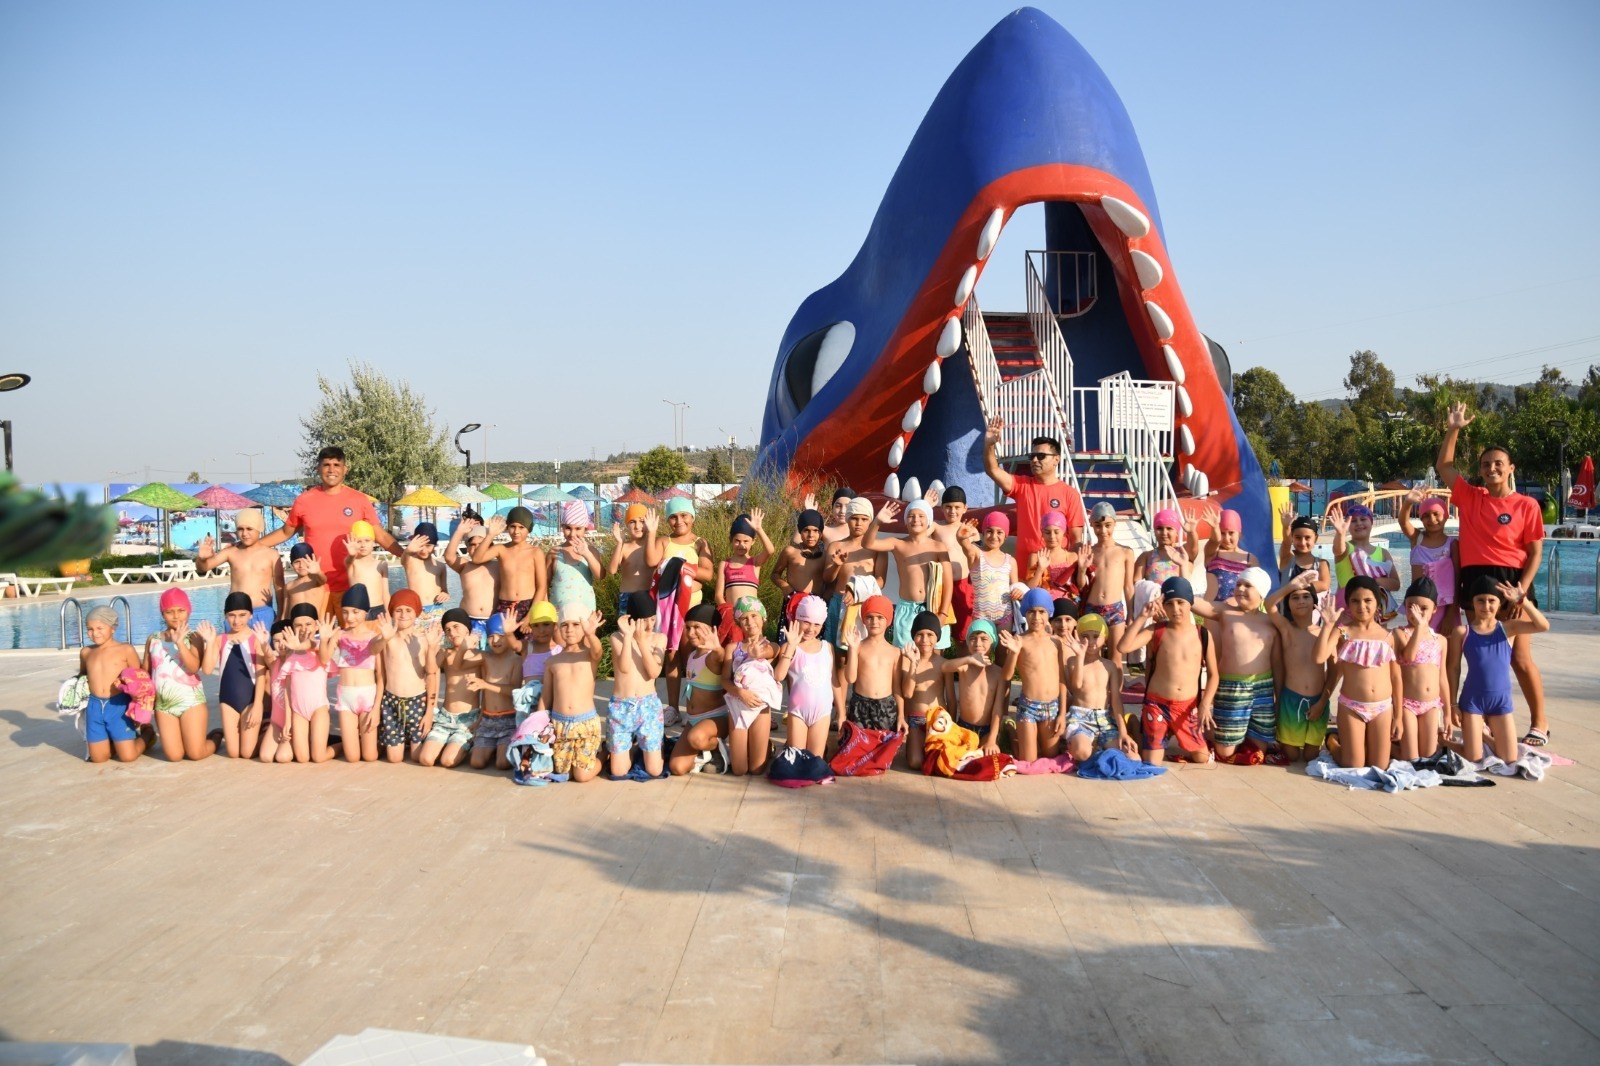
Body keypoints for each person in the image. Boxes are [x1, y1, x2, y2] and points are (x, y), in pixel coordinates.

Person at [1438, 402, 1549, 746]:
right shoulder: (1470, 497)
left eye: (1498, 464)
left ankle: (1540, 724)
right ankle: (1483, 720)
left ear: (1510, 468)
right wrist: (1453, 428)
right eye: (1486, 465)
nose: (1491, 469)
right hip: (1475, 581)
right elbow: (1444, 465)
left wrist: (1522, 591)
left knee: (1518, 656)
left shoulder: (1526, 505)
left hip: (1512, 581)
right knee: (1478, 654)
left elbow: (1534, 552)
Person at [258, 446, 399, 599]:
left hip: (351, 587)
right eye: (326, 465)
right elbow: (286, 532)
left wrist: (407, 556)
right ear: (318, 468)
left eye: (336, 465)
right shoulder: (304, 500)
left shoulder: (359, 500)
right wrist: (252, 545)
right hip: (315, 586)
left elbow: (381, 536)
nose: (331, 470)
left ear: (345, 469)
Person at [1448, 577, 1549, 764]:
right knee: (1474, 758)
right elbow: (1453, 668)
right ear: (1472, 602)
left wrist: (1522, 600)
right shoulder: (1462, 632)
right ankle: (1444, 742)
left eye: (1491, 600)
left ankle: (1481, 734)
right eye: (1480, 600)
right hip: (1472, 702)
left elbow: (1543, 626)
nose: (1486, 606)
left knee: (1510, 758)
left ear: (1500, 603)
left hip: (1500, 702)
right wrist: (1453, 705)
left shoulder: (1508, 629)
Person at [1118, 577, 1217, 766]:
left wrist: (1205, 704)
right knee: (1153, 762)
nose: (1175, 609)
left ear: (1191, 603)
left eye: (1181, 602)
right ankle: (1134, 724)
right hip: (1158, 704)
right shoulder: (1157, 630)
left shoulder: (1202, 634)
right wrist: (1142, 616)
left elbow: (1214, 674)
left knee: (1202, 758)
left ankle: (1168, 734)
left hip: (1187, 707)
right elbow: (1123, 647)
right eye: (1169, 604)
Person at [1188, 567, 1280, 762]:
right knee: (1225, 752)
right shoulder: (1225, 611)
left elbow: (1278, 664)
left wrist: (1278, 698)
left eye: (1248, 585)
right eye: (1238, 584)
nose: (1241, 588)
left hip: (1263, 687)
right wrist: (1183, 570)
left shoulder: (1271, 622)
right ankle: (1208, 730)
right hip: (1232, 687)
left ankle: (1240, 728)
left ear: (1262, 592)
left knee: (1258, 748)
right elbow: (1193, 602)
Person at [1315, 576, 1401, 770]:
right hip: (1352, 707)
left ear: (1377, 602)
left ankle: (1359, 743)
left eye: (1367, 600)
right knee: (1353, 765)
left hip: (1382, 708)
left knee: (1379, 766)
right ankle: (1332, 741)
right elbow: (1320, 658)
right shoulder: (1343, 632)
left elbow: (1396, 678)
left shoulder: (1388, 636)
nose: (1362, 606)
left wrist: (1399, 718)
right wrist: (1328, 625)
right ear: (1348, 604)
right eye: (1355, 601)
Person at [981, 417, 1084, 565]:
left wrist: (1073, 572)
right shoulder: (1022, 485)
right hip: (1025, 574)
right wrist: (989, 445)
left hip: (1056, 573)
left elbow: (1076, 540)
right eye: (1032, 456)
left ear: (1056, 459)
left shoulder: (1070, 494)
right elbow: (993, 470)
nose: (1035, 460)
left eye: (1041, 456)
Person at [821, 497, 886, 722]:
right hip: (838, 606)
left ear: (869, 521)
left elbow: (880, 580)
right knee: (839, 660)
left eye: (863, 519)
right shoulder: (835, 546)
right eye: (854, 518)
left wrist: (857, 589)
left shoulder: (876, 547)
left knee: (862, 657)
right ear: (847, 520)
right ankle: (840, 713)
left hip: (866, 608)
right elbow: (827, 578)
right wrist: (837, 564)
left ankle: (860, 709)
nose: (858, 523)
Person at [647, 496, 715, 710]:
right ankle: (673, 708)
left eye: (684, 515)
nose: (679, 521)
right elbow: (651, 561)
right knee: (672, 657)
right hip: (668, 612)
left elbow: (708, 573)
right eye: (673, 517)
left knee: (694, 657)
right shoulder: (663, 542)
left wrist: (681, 568)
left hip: (693, 611)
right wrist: (651, 533)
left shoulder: (700, 543)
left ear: (692, 517)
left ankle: (696, 707)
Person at [863, 500, 953, 649]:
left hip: (934, 607)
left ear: (929, 520)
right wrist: (878, 521)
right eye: (911, 516)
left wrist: (943, 613)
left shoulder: (938, 547)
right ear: (906, 520)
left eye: (920, 515)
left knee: (934, 658)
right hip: (907, 608)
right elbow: (868, 543)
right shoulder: (897, 543)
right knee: (904, 655)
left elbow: (948, 583)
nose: (916, 519)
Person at [1263, 571, 1333, 763]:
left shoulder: (1324, 632)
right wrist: (1289, 587)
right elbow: (1269, 605)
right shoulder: (1287, 630)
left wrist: (1321, 703)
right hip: (1291, 700)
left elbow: (1334, 672)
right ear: (1288, 605)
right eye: (1295, 598)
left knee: (1311, 756)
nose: (1301, 601)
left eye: (1306, 596)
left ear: (1314, 603)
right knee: (1292, 756)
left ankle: (1332, 738)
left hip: (1318, 701)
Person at [145, 587, 219, 762]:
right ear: (163, 614)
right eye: (169, 612)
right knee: (174, 756)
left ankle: (215, 737)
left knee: (195, 754)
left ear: (188, 611)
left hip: (191, 703)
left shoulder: (194, 637)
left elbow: (193, 667)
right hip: (164, 706)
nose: (176, 616)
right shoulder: (153, 639)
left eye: (181, 611)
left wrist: (180, 643)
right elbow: (146, 671)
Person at [373, 589, 440, 763]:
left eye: (408, 610)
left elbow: (432, 675)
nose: (403, 615)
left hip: (417, 702)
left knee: (418, 757)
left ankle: (425, 740)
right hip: (391, 702)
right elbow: (373, 652)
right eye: (398, 610)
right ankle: (401, 740)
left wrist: (429, 712)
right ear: (392, 612)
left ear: (417, 613)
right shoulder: (387, 638)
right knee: (394, 758)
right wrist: (383, 639)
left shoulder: (424, 640)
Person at [79, 604, 150, 763]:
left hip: (118, 706)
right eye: (90, 629)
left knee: (128, 757)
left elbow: (139, 681)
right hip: (95, 706)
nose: (94, 633)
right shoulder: (86, 652)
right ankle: (114, 740)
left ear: (113, 627)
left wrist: (138, 708)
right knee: (98, 758)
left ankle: (147, 735)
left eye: (99, 628)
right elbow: (83, 675)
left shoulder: (125, 650)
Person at [543, 607, 606, 783]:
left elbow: (598, 650)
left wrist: (591, 634)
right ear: (558, 628)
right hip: (559, 725)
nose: (570, 629)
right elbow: (546, 696)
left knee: (581, 776)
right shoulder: (552, 661)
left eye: (576, 624)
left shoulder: (589, 655)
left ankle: (605, 753)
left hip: (585, 724)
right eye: (564, 624)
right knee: (563, 773)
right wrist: (539, 723)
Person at [607, 596, 668, 778]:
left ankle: (654, 747)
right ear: (632, 620)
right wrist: (628, 637)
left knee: (654, 770)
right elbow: (624, 668)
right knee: (618, 771)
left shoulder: (659, 639)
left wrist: (642, 642)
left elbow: (654, 672)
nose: (649, 625)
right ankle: (632, 749)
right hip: (621, 705)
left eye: (652, 619)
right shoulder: (617, 637)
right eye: (644, 621)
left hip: (647, 705)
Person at [1061, 614, 1136, 761]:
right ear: (1078, 637)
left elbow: (1115, 700)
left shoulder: (1110, 666)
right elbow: (1076, 687)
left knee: (1132, 757)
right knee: (1082, 753)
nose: (1090, 641)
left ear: (1105, 639)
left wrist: (1123, 732)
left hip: (1104, 719)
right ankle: (1082, 745)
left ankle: (1097, 746)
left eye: (1096, 636)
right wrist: (1080, 656)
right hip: (1080, 718)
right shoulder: (1073, 661)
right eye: (1085, 636)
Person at [321, 585, 382, 763]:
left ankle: (381, 742)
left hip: (368, 697)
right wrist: (325, 639)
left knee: (370, 757)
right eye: (345, 612)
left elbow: (381, 677)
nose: (350, 617)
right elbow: (324, 660)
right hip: (345, 697)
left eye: (355, 612)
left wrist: (376, 708)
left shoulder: (374, 637)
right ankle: (346, 743)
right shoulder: (339, 635)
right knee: (352, 757)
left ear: (366, 612)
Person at [668, 604, 732, 775]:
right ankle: (705, 753)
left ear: (712, 629)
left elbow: (719, 657)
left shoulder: (712, 656)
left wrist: (717, 648)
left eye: (697, 627)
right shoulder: (691, 655)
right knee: (677, 768)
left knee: (696, 738)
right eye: (688, 628)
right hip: (694, 720)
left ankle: (717, 747)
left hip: (716, 719)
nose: (691, 633)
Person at [720, 596, 779, 776]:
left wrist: (757, 652)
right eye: (744, 618)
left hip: (760, 708)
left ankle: (767, 746)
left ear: (763, 618)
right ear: (738, 622)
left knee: (756, 769)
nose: (750, 621)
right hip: (738, 705)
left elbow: (769, 652)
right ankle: (749, 746)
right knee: (739, 770)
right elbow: (724, 680)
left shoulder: (772, 645)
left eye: (754, 616)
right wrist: (740, 692)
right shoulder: (732, 648)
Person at [417, 609, 483, 769]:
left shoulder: (480, 656)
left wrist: (481, 718)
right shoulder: (445, 653)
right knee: (425, 759)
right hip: (445, 718)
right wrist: (432, 647)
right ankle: (447, 744)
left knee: (447, 761)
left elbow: (485, 692)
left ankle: (463, 745)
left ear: (467, 628)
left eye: (456, 626)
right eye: (447, 630)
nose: (452, 632)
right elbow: (430, 669)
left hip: (467, 720)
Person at [1393, 577, 1449, 763]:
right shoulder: (1400, 634)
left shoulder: (1440, 640)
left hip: (1431, 705)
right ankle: (1384, 744)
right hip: (1407, 704)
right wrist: (1419, 628)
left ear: (1435, 609)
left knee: (1428, 756)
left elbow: (1443, 677)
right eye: (1411, 607)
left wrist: (1447, 713)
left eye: (1423, 608)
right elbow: (1409, 656)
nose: (1416, 612)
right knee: (1411, 759)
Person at [196, 508, 284, 626]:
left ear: (259, 529)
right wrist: (201, 559)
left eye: (249, 529)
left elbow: (280, 588)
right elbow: (203, 568)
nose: (244, 533)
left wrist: (281, 614)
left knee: (265, 645)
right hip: (235, 614)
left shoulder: (272, 555)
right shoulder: (231, 552)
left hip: (263, 613)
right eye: (240, 529)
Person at [938, 619, 1013, 754]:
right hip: (963, 727)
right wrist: (968, 659)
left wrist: (992, 738)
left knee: (987, 756)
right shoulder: (965, 667)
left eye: (984, 639)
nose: (978, 643)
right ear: (967, 643)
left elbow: (998, 709)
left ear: (993, 642)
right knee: (955, 756)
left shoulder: (998, 673)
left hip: (987, 730)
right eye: (972, 639)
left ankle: (1003, 733)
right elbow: (944, 667)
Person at [773, 595, 835, 757]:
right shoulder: (789, 647)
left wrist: (841, 713)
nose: (810, 629)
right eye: (806, 622)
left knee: (815, 763)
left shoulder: (827, 648)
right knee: (797, 761)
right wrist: (791, 646)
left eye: (816, 624)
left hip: (822, 713)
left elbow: (833, 681)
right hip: (798, 712)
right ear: (796, 620)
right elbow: (779, 676)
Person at [1010, 587, 1066, 761]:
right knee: (1028, 760)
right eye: (1031, 612)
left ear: (1049, 613)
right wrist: (1013, 653)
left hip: (1052, 708)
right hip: (1028, 707)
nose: (1036, 617)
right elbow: (1007, 675)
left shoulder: (1056, 642)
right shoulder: (1019, 640)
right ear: (1024, 613)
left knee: (1051, 756)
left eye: (1042, 612)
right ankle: (1010, 731)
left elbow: (1062, 680)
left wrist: (1062, 714)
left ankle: (1036, 739)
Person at [472, 506, 548, 627]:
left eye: (521, 527)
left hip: (528, 606)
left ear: (529, 529)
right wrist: (490, 535)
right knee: (501, 644)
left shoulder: (535, 552)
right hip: (505, 606)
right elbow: (477, 558)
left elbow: (542, 587)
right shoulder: (501, 549)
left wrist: (529, 617)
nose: (516, 531)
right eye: (512, 526)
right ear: (507, 527)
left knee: (525, 645)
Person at [213, 591, 267, 759]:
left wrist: (258, 705)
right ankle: (217, 734)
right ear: (225, 616)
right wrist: (209, 642)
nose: (237, 621)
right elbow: (207, 669)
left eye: (242, 615)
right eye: (231, 615)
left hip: (250, 701)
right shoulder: (219, 640)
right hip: (227, 700)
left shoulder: (256, 638)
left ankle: (266, 729)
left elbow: (261, 674)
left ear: (251, 615)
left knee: (247, 753)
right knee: (233, 753)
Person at [1080, 502, 1136, 665]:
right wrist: (1082, 569)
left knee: (1115, 656)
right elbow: (1082, 586)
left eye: (1107, 525)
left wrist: (1131, 615)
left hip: (1115, 609)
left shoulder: (1125, 552)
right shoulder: (1088, 551)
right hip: (1092, 607)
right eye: (1098, 526)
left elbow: (1128, 586)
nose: (1103, 530)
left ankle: (1116, 690)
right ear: (1091, 525)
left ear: (1115, 524)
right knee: (1090, 656)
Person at [1397, 489, 1458, 634]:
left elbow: (1458, 578)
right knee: (1420, 646)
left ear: (1446, 516)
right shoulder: (1417, 539)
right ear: (1420, 519)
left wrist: (1451, 613)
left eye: (1436, 514)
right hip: (1419, 606)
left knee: (1445, 646)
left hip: (1445, 607)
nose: (1431, 519)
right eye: (1425, 516)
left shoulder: (1452, 544)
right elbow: (1403, 522)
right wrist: (1408, 502)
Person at [281, 603, 335, 763]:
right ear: (292, 626)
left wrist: (321, 640)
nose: (304, 628)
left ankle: (340, 745)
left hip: (318, 708)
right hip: (298, 711)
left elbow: (317, 651)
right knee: (302, 758)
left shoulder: (320, 644)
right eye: (298, 625)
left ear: (316, 625)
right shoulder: (290, 651)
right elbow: (287, 688)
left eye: (308, 624)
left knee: (318, 757)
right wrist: (288, 720)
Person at [467, 613, 522, 770]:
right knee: (476, 763)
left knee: (502, 764)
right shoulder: (486, 658)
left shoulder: (516, 660)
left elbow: (514, 690)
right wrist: (466, 644)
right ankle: (493, 748)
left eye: (501, 636)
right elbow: (460, 661)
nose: (495, 641)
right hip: (488, 720)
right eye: (491, 637)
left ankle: (501, 748)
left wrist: (486, 684)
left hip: (509, 720)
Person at [843, 594, 902, 733]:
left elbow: (897, 688)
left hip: (886, 707)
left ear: (888, 620)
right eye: (869, 617)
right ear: (863, 620)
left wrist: (901, 716)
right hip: (859, 706)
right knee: (859, 750)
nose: (874, 621)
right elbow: (850, 678)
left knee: (883, 750)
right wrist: (852, 648)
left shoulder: (895, 652)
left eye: (880, 617)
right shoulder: (857, 647)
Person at [1329, 503, 1399, 620]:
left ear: (1371, 522)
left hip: (1374, 606)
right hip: (1347, 607)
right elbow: (1337, 549)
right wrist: (1340, 533)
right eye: (1353, 521)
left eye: (1363, 519)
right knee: (1345, 637)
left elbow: (1396, 584)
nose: (1359, 523)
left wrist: (1374, 581)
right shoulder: (1345, 548)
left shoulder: (1383, 553)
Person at [714, 509, 774, 639]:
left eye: (746, 541)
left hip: (753, 617)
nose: (741, 545)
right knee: (734, 649)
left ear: (753, 541)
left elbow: (770, 550)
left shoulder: (755, 562)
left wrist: (759, 529)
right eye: (737, 540)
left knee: (755, 648)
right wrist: (729, 612)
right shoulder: (724, 564)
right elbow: (718, 595)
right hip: (733, 616)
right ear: (731, 539)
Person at [898, 610, 946, 770]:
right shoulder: (905, 661)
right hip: (915, 719)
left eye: (930, 634)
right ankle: (914, 745)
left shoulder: (942, 663)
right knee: (915, 762)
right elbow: (907, 693)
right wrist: (913, 663)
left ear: (937, 637)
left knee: (941, 762)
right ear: (913, 636)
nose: (925, 640)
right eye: (920, 634)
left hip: (937, 719)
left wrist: (951, 725)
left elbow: (951, 699)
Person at [960, 510, 1021, 635]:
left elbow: (1015, 587)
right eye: (989, 531)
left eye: (999, 532)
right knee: (981, 652)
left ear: (1006, 536)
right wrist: (962, 538)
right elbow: (966, 546)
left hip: (1005, 616)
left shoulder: (1010, 561)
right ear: (983, 533)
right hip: (981, 615)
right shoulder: (977, 554)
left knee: (1003, 653)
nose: (994, 536)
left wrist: (1018, 592)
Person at [773, 507, 830, 624]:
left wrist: (824, 597)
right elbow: (774, 574)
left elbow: (829, 579)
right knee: (790, 639)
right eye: (806, 530)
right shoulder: (790, 551)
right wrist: (785, 588)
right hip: (794, 603)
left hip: (816, 606)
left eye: (815, 530)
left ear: (821, 533)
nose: (811, 535)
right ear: (799, 531)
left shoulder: (825, 555)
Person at [548, 500, 603, 620]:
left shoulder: (591, 551)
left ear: (586, 529)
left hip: (585, 612)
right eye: (568, 528)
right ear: (562, 527)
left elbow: (600, 575)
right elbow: (545, 583)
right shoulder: (555, 552)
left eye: (578, 529)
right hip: (558, 613)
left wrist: (586, 554)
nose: (572, 533)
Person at [930, 485, 972, 636]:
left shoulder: (970, 529)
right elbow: (920, 532)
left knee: (964, 633)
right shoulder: (936, 526)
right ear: (942, 508)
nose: (952, 511)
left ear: (965, 508)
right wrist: (927, 507)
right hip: (940, 586)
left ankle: (965, 659)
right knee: (938, 631)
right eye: (948, 507)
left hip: (963, 585)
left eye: (956, 507)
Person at [511, 600, 560, 725]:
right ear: (531, 627)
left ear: (555, 625)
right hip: (529, 705)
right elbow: (514, 645)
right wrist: (508, 633)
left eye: (546, 624)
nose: (541, 630)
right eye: (536, 626)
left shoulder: (560, 650)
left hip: (552, 703)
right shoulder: (528, 647)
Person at [1275, 508, 1331, 613]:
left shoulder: (1321, 564)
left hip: (1311, 620)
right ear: (1292, 537)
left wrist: (1295, 586)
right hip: (1286, 619)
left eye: (1307, 538)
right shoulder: (1287, 557)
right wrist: (1286, 526)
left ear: (1316, 538)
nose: (1302, 542)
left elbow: (1324, 585)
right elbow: (1286, 543)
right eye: (1298, 537)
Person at [607, 504, 659, 617]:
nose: (637, 526)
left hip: (648, 595)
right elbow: (611, 570)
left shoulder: (653, 547)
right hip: (627, 596)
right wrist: (619, 543)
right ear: (626, 525)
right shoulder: (624, 547)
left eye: (642, 521)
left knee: (648, 631)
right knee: (627, 631)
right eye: (632, 522)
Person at [256, 620, 295, 765]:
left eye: (284, 639)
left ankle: (335, 744)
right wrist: (264, 643)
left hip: (295, 723)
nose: (281, 644)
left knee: (283, 757)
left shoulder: (297, 662)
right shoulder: (274, 664)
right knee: (266, 757)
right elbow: (267, 654)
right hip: (277, 722)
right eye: (276, 641)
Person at [1203, 509, 1260, 603]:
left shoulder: (1250, 559)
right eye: (1222, 533)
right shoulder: (1213, 553)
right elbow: (1214, 541)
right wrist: (1214, 528)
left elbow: (1255, 591)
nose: (1226, 538)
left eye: (1231, 533)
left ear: (1239, 533)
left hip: (1237, 613)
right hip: (1212, 611)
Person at [400, 522, 451, 620]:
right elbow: (403, 559)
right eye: (421, 545)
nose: (424, 550)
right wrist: (408, 550)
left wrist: (445, 594)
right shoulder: (410, 561)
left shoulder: (440, 566)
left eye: (428, 545)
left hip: (437, 610)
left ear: (435, 544)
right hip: (416, 610)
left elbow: (444, 590)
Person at [1026, 511, 1080, 603]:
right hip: (1044, 605)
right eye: (1047, 532)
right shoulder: (1035, 557)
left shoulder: (1072, 557)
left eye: (1056, 532)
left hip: (1067, 607)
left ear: (1063, 533)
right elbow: (1030, 588)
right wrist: (1040, 569)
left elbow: (1079, 587)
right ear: (1042, 533)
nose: (1052, 536)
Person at [341, 521, 390, 617]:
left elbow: (385, 592)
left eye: (367, 541)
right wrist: (351, 555)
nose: (363, 545)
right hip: (358, 611)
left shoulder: (381, 564)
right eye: (359, 541)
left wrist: (388, 614)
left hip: (379, 610)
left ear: (374, 542)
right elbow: (348, 561)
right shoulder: (352, 563)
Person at [283, 543, 329, 620]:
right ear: (291, 564)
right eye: (297, 562)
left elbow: (323, 580)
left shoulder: (316, 582)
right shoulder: (289, 586)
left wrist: (318, 572)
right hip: (296, 628)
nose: (301, 565)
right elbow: (285, 613)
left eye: (305, 561)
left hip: (316, 627)